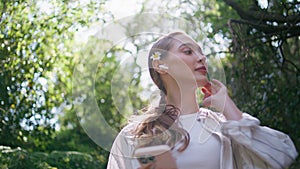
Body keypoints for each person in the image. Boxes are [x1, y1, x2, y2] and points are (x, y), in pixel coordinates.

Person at [106, 31, 298, 169]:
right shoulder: (133, 136)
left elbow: (282, 156)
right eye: (188, 51)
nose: (201, 58)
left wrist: (228, 107)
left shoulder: (223, 126)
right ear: (160, 65)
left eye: (200, 52)